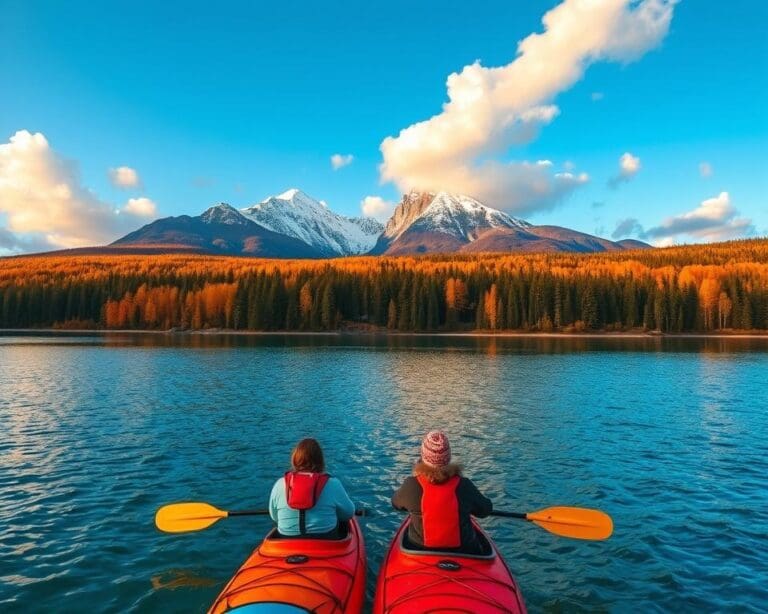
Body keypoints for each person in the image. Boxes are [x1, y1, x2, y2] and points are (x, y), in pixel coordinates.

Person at [392, 430, 492, 554]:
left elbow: (395, 504)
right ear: (448, 457)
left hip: (419, 550)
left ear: (423, 457)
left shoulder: (411, 485)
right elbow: (485, 510)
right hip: (462, 551)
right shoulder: (464, 485)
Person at [269, 437, 355, 538]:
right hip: (325, 541)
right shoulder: (333, 484)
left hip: (286, 542)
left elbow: (274, 517)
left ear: (295, 459)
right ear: (320, 460)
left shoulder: (280, 484)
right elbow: (348, 513)